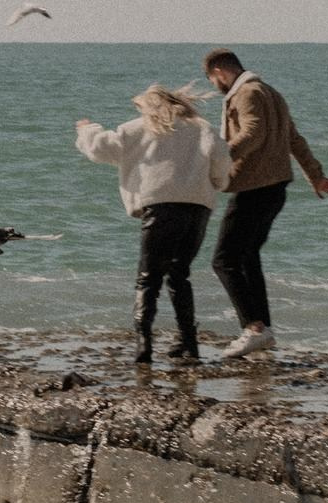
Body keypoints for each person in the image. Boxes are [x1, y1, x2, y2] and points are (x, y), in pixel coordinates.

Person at [75, 83, 232, 365]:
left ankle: (144, 344)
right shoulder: (201, 127)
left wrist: (86, 129)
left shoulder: (137, 128)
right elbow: (222, 163)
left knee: (148, 278)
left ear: (147, 106)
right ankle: (189, 343)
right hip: (197, 208)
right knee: (179, 274)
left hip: (159, 206)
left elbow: (100, 148)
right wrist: (217, 183)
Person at [202, 49, 328, 358]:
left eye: (213, 81)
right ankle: (263, 329)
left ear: (219, 72)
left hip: (255, 188)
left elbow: (253, 133)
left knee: (223, 260)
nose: (215, 87)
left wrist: (218, 159)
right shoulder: (271, 92)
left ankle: (253, 329)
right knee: (248, 256)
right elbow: (293, 139)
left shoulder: (247, 93)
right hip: (276, 187)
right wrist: (316, 176)